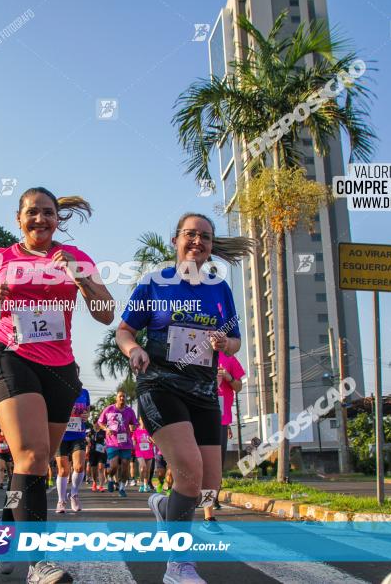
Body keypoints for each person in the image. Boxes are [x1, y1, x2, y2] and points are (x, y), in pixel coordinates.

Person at [0, 186, 114, 582]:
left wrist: (80, 279)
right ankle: (39, 563)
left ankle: (3, 531)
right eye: (32, 212)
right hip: (9, 356)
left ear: (57, 219)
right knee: (30, 455)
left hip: (60, 368)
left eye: (48, 213)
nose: (40, 219)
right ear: (19, 218)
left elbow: (105, 312)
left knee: (36, 462)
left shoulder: (76, 258)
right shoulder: (1, 258)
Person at [116, 212, 253, 584]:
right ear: (176, 240)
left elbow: (236, 340)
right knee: (189, 472)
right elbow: (125, 330)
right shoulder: (155, 284)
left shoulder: (218, 288)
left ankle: (165, 505)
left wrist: (227, 343)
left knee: (208, 486)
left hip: (204, 390)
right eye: (190, 235)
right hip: (160, 384)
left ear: (211, 247)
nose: (198, 242)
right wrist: (133, 351)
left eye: (205, 237)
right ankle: (178, 566)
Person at [202, 352, 245, 530]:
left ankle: (209, 510)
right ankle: (206, 511)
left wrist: (227, 377)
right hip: (199, 416)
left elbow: (238, 387)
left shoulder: (229, 359)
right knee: (199, 465)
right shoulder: (196, 354)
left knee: (214, 468)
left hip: (220, 419)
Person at [56, 378, 90, 513]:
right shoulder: (58, 391)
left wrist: (86, 415)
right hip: (61, 435)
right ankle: (61, 500)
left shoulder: (84, 392)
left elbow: (87, 411)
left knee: (79, 467)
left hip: (78, 434)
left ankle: (74, 494)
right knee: (63, 470)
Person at [97, 391, 138, 498]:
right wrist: (106, 429)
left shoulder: (130, 411)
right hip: (112, 442)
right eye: (120, 396)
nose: (122, 398)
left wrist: (133, 427)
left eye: (124, 397)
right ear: (116, 398)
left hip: (126, 443)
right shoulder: (109, 409)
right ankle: (110, 478)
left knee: (125, 466)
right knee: (114, 466)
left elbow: (135, 424)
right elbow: (100, 422)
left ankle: (122, 488)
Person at [132, 423, 155, 492]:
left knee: (148, 470)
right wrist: (134, 446)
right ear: (140, 421)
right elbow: (134, 442)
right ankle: (141, 484)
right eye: (142, 420)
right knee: (143, 468)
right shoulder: (136, 431)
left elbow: (154, 442)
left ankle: (146, 485)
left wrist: (151, 440)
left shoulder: (150, 430)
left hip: (149, 451)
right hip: (139, 452)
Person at [88, 425, 107, 492]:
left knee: (101, 468)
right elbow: (87, 441)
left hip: (102, 452)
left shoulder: (103, 432)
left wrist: (106, 446)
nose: (97, 425)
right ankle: (94, 483)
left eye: (98, 424)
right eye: (95, 423)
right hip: (93, 452)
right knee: (93, 469)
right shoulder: (90, 432)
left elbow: (107, 440)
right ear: (93, 424)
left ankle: (101, 486)